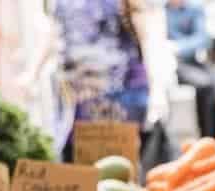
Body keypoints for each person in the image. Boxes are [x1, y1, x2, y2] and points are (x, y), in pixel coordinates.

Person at [41, 0, 176, 159]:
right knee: (77, 157)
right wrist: (32, 73)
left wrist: (157, 87)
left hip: (122, 94)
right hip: (76, 97)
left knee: (121, 161)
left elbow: (146, 34)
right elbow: (54, 33)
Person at [165, 0, 215, 137]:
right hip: (162, 64)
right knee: (205, 84)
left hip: (186, 62)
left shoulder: (194, 8)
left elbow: (203, 39)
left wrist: (178, 47)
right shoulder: (158, 9)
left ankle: (210, 138)